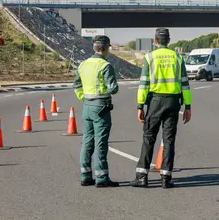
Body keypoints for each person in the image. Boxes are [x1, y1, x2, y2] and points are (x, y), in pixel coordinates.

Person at [130, 28, 192, 189]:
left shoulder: (150, 57)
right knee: (169, 140)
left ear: (155, 41)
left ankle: (142, 177)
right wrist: (188, 106)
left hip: (154, 101)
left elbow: (144, 83)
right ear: (168, 40)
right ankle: (166, 178)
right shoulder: (178, 57)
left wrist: (140, 105)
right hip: (173, 102)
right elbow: (185, 83)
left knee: (148, 138)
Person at [73, 35, 120, 188]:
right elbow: (113, 89)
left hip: (87, 106)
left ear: (94, 47)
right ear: (106, 48)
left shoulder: (83, 65)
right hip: (101, 108)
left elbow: (77, 86)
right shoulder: (105, 66)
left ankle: (85, 176)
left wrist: (84, 99)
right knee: (101, 143)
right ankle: (101, 178)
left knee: (87, 141)